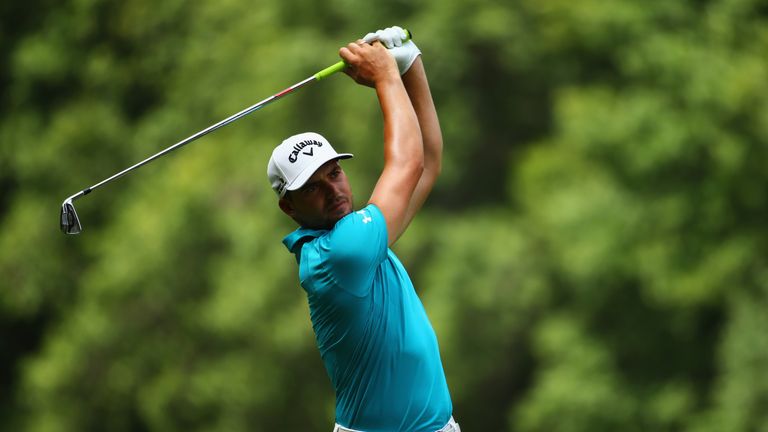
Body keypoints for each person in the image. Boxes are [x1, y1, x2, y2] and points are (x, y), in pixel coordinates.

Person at [267, 26, 458, 432]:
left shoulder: (362, 239)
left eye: (335, 172)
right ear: (289, 207)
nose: (333, 190)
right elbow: (408, 165)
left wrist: (409, 64)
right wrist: (385, 77)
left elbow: (429, 160)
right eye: (312, 187)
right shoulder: (341, 255)